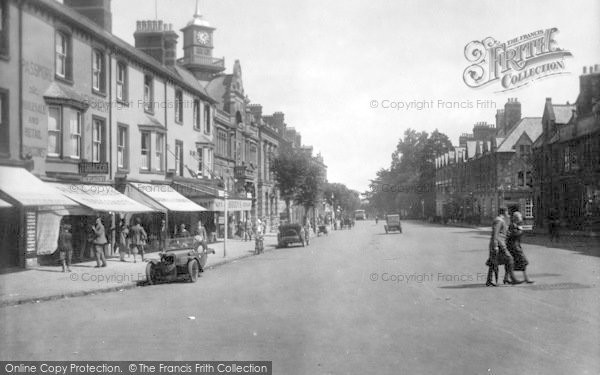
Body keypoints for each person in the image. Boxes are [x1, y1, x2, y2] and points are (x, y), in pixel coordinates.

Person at [486, 208, 521, 286]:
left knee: (493, 262)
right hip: (499, 244)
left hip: (499, 244)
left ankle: (490, 280)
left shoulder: (500, 221)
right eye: (507, 212)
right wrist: (495, 246)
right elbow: (496, 233)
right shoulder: (499, 221)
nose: (508, 214)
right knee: (510, 259)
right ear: (504, 213)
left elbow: (503, 233)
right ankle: (512, 279)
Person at [507, 211, 534, 284]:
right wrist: (520, 230)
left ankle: (508, 278)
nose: (521, 218)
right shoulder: (512, 225)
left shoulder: (515, 225)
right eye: (520, 217)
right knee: (522, 261)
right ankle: (525, 278)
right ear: (516, 218)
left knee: (513, 263)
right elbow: (513, 234)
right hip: (514, 247)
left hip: (516, 246)